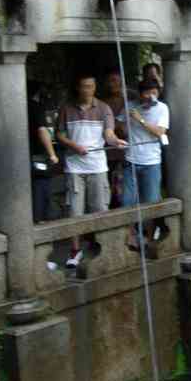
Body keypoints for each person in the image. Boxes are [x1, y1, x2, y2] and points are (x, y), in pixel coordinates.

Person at [56, 72, 126, 267]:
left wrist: (115, 141)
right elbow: (59, 135)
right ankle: (75, 251)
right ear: (78, 88)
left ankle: (102, 248)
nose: (87, 90)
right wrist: (74, 146)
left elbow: (109, 134)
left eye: (91, 86)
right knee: (75, 210)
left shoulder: (104, 109)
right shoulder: (66, 108)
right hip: (74, 166)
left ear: (95, 88)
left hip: (97, 166)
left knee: (100, 208)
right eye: (84, 86)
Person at [121, 79, 169, 250]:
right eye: (147, 93)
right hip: (131, 159)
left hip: (152, 161)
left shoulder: (162, 108)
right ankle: (131, 237)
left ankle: (149, 239)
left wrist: (140, 120)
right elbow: (120, 126)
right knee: (127, 201)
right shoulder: (130, 105)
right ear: (140, 94)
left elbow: (159, 132)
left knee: (151, 202)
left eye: (154, 92)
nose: (151, 96)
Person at [28, 85, 58, 223]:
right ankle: (40, 218)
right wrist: (52, 154)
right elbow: (42, 131)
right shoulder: (35, 107)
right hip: (37, 155)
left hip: (18, 158)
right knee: (41, 185)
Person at [101, 69, 127, 208]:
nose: (112, 84)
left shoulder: (129, 100)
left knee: (126, 181)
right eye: (109, 81)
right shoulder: (102, 103)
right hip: (109, 148)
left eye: (115, 80)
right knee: (109, 181)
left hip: (126, 147)